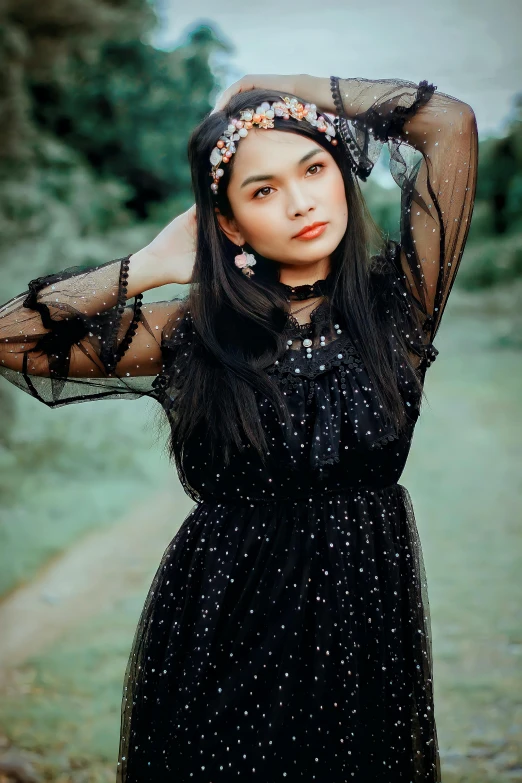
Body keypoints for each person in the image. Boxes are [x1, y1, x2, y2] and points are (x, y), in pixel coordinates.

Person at [0, 72, 478, 782]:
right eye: (262, 190)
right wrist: (149, 266)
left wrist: (276, 88)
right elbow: (12, 339)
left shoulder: (396, 308)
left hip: (360, 631)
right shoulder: (195, 331)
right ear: (228, 223)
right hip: (221, 625)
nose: (299, 202)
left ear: (341, 176)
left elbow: (450, 125)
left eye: (314, 168)